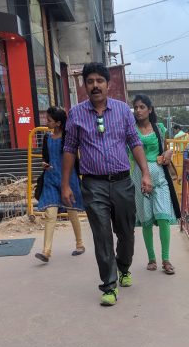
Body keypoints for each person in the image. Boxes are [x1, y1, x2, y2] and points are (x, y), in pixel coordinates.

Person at [62, 62, 152, 307]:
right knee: (102, 236)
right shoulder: (77, 114)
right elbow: (69, 149)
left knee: (126, 234)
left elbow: (135, 143)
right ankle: (109, 285)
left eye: (99, 81)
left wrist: (145, 173)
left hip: (122, 182)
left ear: (108, 84)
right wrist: (65, 184)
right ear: (84, 85)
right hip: (93, 185)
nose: (95, 86)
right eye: (89, 81)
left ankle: (124, 267)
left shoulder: (123, 111)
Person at [131, 94, 180, 275]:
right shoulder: (131, 130)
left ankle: (166, 259)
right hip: (139, 178)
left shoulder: (159, 128)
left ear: (150, 110)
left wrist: (169, 153)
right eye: (136, 107)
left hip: (160, 178)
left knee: (163, 217)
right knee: (146, 221)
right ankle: (151, 258)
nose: (138, 110)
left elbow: (167, 147)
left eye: (142, 107)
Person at [35, 106, 85, 262]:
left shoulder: (69, 137)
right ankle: (46, 251)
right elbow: (45, 157)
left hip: (68, 179)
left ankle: (80, 244)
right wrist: (45, 164)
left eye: (49, 120)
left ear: (58, 123)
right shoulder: (46, 138)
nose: (46, 122)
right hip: (50, 178)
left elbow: (74, 159)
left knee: (72, 212)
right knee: (50, 214)